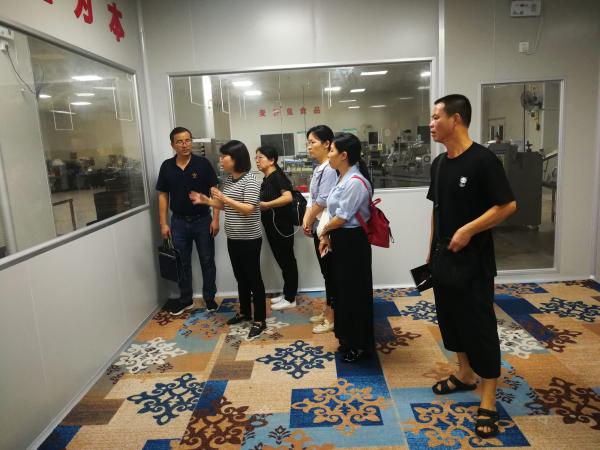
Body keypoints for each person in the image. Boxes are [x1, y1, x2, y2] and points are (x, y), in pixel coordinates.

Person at [427, 94, 517, 439]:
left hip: (474, 261)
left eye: (436, 117)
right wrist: (430, 253)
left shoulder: (483, 160)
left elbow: (507, 205)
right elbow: (436, 211)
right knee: (450, 321)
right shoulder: (439, 164)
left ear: (456, 119)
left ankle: (489, 397)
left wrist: (468, 230)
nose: (431, 124)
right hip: (443, 258)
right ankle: (465, 374)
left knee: (479, 326)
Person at [189, 140, 267, 340]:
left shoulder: (251, 180)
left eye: (224, 156)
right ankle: (244, 312)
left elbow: (248, 209)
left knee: (254, 279)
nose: (221, 160)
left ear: (236, 159)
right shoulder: (229, 180)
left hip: (249, 238)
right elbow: (227, 206)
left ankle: (260, 319)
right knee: (241, 277)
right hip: (233, 237)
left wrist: (224, 199)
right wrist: (207, 201)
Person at [318, 132, 374, 362]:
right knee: (342, 291)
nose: (328, 154)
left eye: (331, 150)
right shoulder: (342, 178)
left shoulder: (355, 182)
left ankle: (359, 344)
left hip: (353, 242)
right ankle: (346, 338)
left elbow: (341, 217)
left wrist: (324, 230)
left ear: (344, 155)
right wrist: (328, 234)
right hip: (341, 239)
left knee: (354, 293)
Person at [156, 127, 219, 316]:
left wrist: (216, 219)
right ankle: (186, 299)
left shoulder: (203, 164)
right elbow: (163, 196)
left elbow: (215, 192)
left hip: (203, 220)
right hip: (178, 223)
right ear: (172, 145)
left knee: (207, 260)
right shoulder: (167, 166)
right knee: (182, 262)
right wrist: (163, 223)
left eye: (188, 140)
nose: (185, 145)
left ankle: (209, 298)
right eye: (180, 141)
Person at [302, 125, 338, 333]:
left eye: (312, 142)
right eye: (308, 142)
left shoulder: (331, 169)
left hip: (329, 230)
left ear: (326, 144)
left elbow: (323, 200)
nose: (309, 147)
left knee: (331, 273)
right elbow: (312, 198)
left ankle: (332, 316)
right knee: (326, 272)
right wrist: (307, 220)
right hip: (318, 226)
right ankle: (328, 310)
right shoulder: (319, 168)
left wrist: (308, 218)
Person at [256, 145, 298, 311]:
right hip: (272, 226)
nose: (257, 161)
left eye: (260, 157)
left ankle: (290, 297)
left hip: (281, 226)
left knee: (287, 261)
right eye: (256, 158)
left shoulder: (277, 176)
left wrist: (267, 205)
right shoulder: (268, 178)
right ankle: (287, 292)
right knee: (282, 260)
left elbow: (287, 197)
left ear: (272, 160)